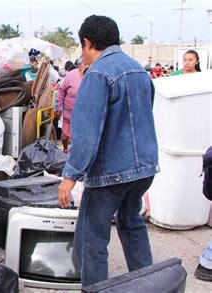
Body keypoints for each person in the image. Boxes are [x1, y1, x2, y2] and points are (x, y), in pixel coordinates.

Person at [57, 15, 159, 287]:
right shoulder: (139, 69)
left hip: (111, 172)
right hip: (145, 168)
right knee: (132, 224)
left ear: (87, 43)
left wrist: (71, 175)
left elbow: (87, 131)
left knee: (91, 239)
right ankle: (150, 287)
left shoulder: (98, 73)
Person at [55, 66, 82, 154]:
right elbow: (61, 91)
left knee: (79, 137)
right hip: (68, 113)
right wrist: (58, 107)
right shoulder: (71, 75)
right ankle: (65, 149)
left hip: (83, 115)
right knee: (65, 136)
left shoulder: (93, 74)